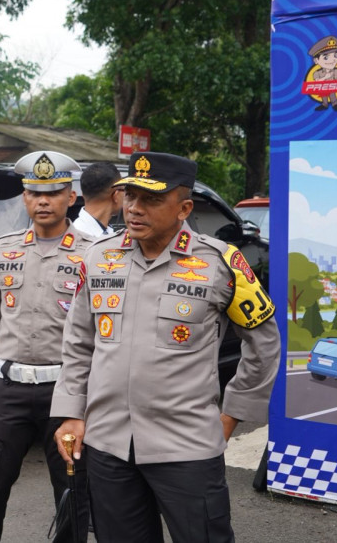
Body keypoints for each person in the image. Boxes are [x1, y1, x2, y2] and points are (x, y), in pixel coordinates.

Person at [52, 152, 280, 543]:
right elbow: (79, 342)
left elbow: (264, 343)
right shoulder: (98, 257)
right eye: (129, 196)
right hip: (109, 445)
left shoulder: (221, 263)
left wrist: (232, 414)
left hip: (186, 449)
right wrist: (71, 411)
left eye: (151, 199)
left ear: (184, 207)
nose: (135, 209)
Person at [0, 150, 92, 543]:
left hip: (67, 392)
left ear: (71, 197)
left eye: (53, 193)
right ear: (24, 197)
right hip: (10, 390)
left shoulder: (94, 255)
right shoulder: (4, 251)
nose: (42, 201)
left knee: (72, 487)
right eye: (34, 192)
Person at [72, 161, 122, 236]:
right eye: (125, 190)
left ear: (83, 195)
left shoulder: (76, 232)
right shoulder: (80, 237)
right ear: (116, 195)